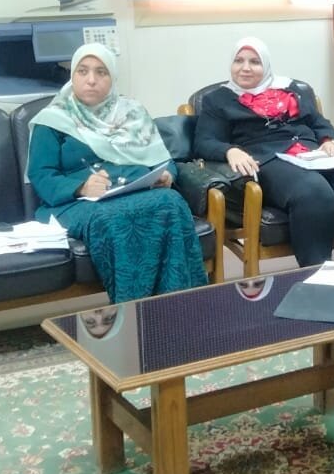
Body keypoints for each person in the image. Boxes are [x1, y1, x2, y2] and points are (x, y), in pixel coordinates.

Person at [27, 44, 207, 301]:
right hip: (78, 203)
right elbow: (42, 175)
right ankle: (132, 309)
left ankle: (180, 305)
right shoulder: (53, 119)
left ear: (112, 77)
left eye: (101, 72)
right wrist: (80, 187)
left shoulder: (132, 113)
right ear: (72, 76)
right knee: (112, 217)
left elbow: (162, 159)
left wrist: (167, 176)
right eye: (83, 71)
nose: (91, 79)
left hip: (135, 190)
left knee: (171, 201)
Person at [193, 36, 334, 268]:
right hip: (268, 160)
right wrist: (230, 151)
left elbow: (318, 122)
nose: (245, 68)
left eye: (254, 62)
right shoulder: (218, 100)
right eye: (239, 61)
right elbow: (204, 141)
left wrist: (329, 140)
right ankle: (316, 275)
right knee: (314, 191)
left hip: (314, 154)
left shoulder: (291, 89)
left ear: (266, 65)